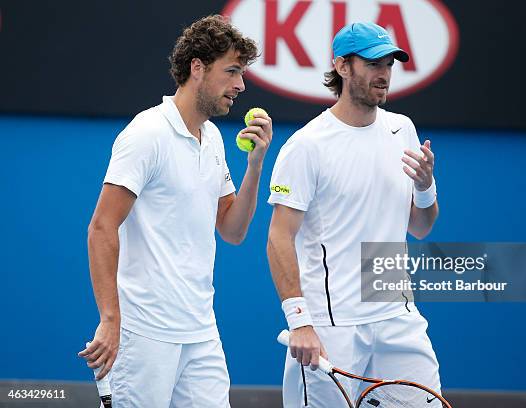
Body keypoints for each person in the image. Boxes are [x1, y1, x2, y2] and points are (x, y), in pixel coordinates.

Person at [78, 15, 272, 407]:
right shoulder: (146, 134)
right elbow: (101, 227)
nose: (241, 85)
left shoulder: (214, 138)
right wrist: (111, 319)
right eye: (232, 71)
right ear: (197, 68)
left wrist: (255, 166)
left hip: (201, 331)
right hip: (144, 333)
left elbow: (233, 231)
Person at [267, 22, 441, 406]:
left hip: (398, 315)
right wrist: (300, 323)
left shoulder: (403, 130)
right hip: (331, 327)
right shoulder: (307, 146)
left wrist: (426, 186)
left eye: (390, 64)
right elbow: (280, 237)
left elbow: (421, 226)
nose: (384, 73)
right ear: (343, 67)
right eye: (373, 63)